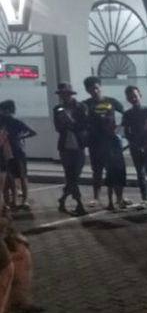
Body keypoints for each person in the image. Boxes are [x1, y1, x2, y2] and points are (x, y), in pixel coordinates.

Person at [82, 76, 125, 208]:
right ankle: (96, 197)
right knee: (97, 170)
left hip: (111, 141)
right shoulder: (85, 105)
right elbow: (81, 122)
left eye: (96, 87)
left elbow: (125, 114)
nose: (94, 91)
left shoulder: (111, 102)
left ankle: (119, 197)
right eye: (91, 89)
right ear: (87, 90)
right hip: (95, 142)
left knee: (114, 170)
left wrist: (119, 129)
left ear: (100, 87)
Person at [52, 82, 88, 216]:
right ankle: (79, 204)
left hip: (78, 145)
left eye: (65, 94)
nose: (63, 97)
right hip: (65, 146)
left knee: (74, 176)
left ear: (70, 94)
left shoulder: (81, 107)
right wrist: (63, 123)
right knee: (70, 175)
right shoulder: (57, 109)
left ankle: (62, 200)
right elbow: (57, 128)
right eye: (61, 95)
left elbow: (83, 125)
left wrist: (70, 121)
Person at [122, 85, 147, 208]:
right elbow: (126, 131)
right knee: (140, 173)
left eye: (135, 95)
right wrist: (133, 143)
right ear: (128, 99)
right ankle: (144, 199)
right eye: (131, 96)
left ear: (140, 95)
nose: (134, 98)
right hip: (135, 147)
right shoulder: (127, 114)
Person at [0, 100, 36, 210]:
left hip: (17, 151)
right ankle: (11, 201)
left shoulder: (15, 121)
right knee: (9, 178)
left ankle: (24, 200)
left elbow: (32, 132)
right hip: (5, 152)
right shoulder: (2, 121)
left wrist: (20, 137)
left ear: (7, 110)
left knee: (22, 176)